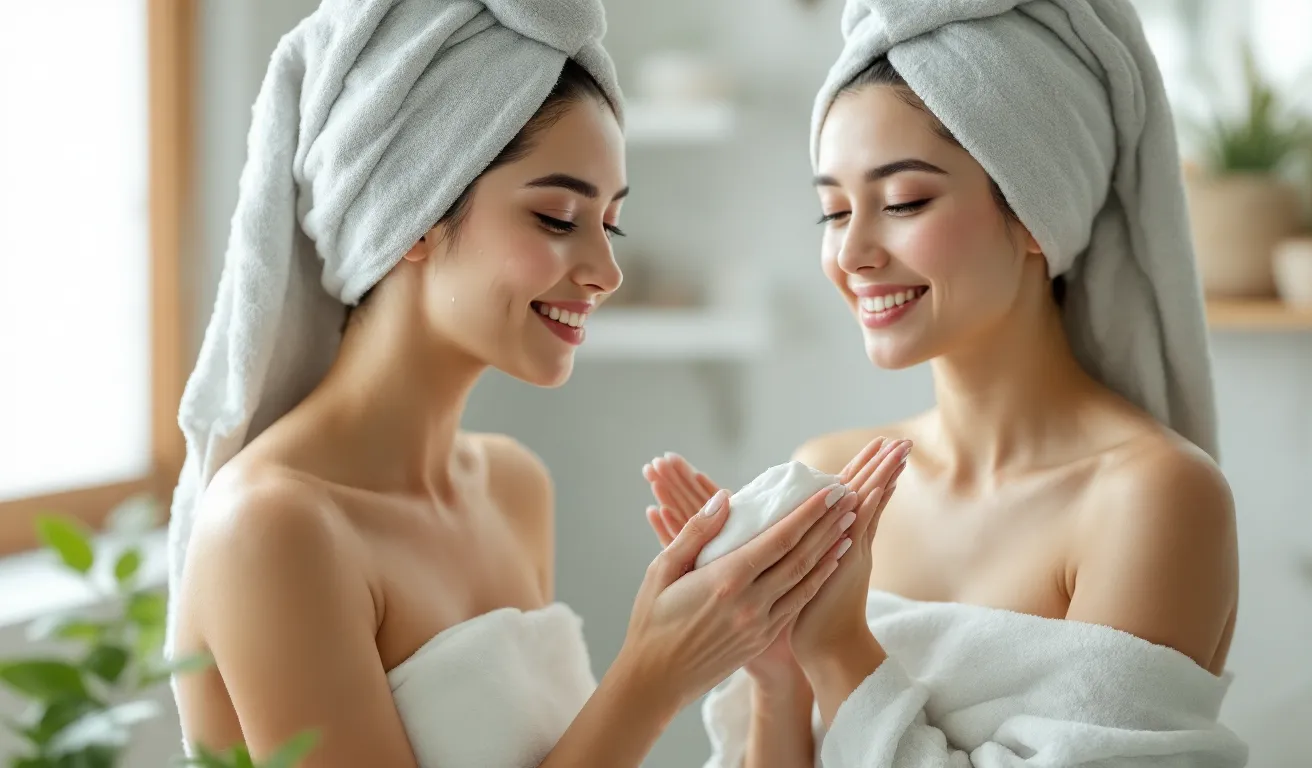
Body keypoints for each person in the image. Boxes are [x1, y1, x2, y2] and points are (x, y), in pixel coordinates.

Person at [164, 2, 902, 766]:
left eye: (608, 223)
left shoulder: (512, 489)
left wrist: (773, 676)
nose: (606, 271)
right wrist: (652, 676)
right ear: (412, 209)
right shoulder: (273, 529)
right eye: (556, 217)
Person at [644, 1, 1247, 765]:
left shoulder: (1152, 499)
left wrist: (834, 649)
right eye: (832, 211)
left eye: (904, 203)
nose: (853, 253)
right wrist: (774, 678)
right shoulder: (829, 469)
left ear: (1035, 213)